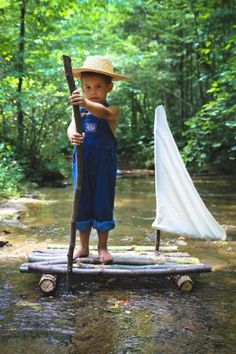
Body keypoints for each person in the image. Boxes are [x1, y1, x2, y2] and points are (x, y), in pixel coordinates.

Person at [67, 55, 128, 264]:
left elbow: (102, 113)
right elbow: (71, 126)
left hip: (104, 165)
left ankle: (102, 247)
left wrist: (84, 102)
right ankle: (83, 247)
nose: (93, 92)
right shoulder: (79, 111)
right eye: (88, 87)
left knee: (102, 202)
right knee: (81, 202)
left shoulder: (112, 110)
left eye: (98, 87)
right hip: (82, 163)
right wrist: (72, 136)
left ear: (109, 88)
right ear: (83, 88)